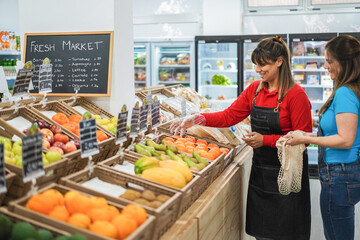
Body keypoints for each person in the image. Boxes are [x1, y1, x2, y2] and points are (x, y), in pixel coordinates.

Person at [170, 36, 312, 240]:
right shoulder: (255, 90)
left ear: (279, 61)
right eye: (256, 65)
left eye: (263, 65)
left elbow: (303, 138)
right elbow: (229, 116)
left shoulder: (295, 95)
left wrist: (265, 140)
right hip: (262, 176)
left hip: (288, 178)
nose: (258, 70)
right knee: (262, 235)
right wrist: (197, 118)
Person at [286, 35, 360, 240]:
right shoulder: (351, 89)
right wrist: (305, 134)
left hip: (339, 176)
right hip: (346, 174)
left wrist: (305, 140)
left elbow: (345, 140)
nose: (325, 65)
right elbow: (335, 134)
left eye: (329, 60)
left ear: (345, 62)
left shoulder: (345, 92)